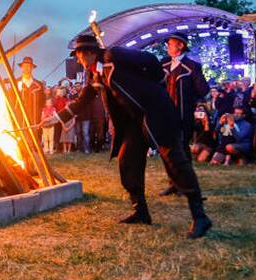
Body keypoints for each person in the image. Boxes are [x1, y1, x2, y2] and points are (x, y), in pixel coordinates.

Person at [43, 33, 212, 238]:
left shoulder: (113, 56)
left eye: (78, 55)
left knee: (175, 162)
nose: (77, 60)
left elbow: (150, 61)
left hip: (156, 112)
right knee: (127, 161)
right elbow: (83, 99)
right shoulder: (93, 74)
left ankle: (200, 216)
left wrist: (155, 88)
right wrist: (56, 118)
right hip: (134, 121)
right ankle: (140, 211)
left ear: (87, 53)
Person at [158, 33, 210, 194]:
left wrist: (192, 97)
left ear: (180, 46)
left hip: (183, 116)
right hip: (165, 115)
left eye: (171, 44)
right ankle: (173, 183)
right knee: (166, 150)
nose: (168, 47)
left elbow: (203, 90)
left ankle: (186, 185)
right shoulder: (163, 65)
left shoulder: (192, 67)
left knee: (181, 150)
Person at [17, 56, 46, 128]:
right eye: (24, 66)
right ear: (21, 67)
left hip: (35, 122)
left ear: (32, 68)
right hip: (20, 122)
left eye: (29, 66)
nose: (26, 68)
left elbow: (42, 103)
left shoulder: (38, 85)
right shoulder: (15, 83)